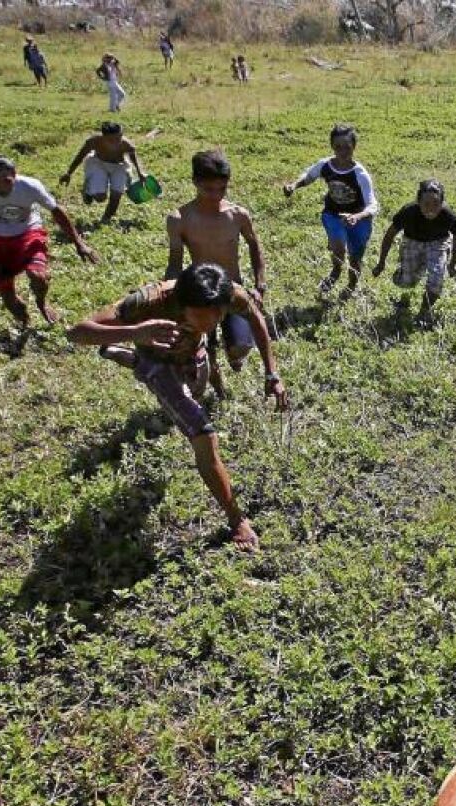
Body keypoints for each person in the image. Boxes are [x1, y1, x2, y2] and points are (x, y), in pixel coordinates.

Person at [67, 264, 287, 551]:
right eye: (199, 317)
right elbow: (76, 332)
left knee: (197, 389)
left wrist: (272, 374)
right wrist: (136, 332)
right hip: (159, 361)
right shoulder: (150, 299)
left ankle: (127, 358)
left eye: (216, 316)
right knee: (203, 432)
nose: (210, 323)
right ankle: (237, 521)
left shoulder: (231, 294)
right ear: (182, 305)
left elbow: (256, 319)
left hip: (192, 354)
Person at [0, 154, 98, 338]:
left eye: (6, 180)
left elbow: (56, 211)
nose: (2, 187)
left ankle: (41, 303)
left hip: (28, 233)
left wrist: (79, 243)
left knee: (38, 275)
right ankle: (25, 324)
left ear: (14, 173)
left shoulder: (29, 186)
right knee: (9, 299)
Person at [167, 150, 270, 394]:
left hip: (232, 289)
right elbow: (175, 262)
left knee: (241, 346)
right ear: (195, 182)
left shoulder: (237, 215)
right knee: (207, 352)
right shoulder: (180, 219)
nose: (216, 196)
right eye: (208, 189)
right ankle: (218, 388)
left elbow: (254, 245)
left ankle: (234, 354)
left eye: (222, 189)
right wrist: (170, 293)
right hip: (201, 294)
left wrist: (260, 283)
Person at [283, 123, 380, 300]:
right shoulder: (325, 166)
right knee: (338, 250)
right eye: (338, 147)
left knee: (355, 258)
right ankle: (336, 271)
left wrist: (357, 216)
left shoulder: (360, 174)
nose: (342, 152)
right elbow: (309, 176)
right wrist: (294, 186)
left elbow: (372, 205)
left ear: (354, 147)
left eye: (347, 147)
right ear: (332, 146)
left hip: (359, 220)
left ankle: (351, 285)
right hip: (333, 216)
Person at [371, 180, 456, 327]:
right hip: (412, 242)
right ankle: (406, 273)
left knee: (437, 277)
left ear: (442, 203)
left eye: (436, 204)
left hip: (438, 243)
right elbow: (390, 235)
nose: (431, 209)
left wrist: (452, 263)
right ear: (418, 201)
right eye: (426, 204)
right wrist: (381, 262)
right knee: (408, 282)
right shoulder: (408, 212)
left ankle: (424, 311)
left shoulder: (448, 216)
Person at [60, 122, 145, 225]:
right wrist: (69, 173)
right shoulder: (93, 141)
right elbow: (81, 156)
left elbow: (133, 157)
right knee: (100, 198)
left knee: (117, 193)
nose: (116, 142)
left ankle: (106, 218)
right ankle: (88, 191)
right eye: (111, 140)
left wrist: (140, 172)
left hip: (119, 166)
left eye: (119, 138)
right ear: (103, 137)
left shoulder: (126, 144)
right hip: (98, 163)